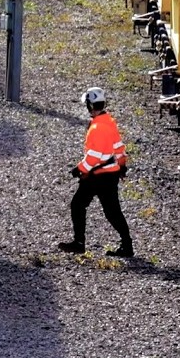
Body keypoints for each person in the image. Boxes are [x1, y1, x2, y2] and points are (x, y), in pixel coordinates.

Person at [57, 87, 134, 257]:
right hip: (109, 174)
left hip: (98, 176)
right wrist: (121, 165)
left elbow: (94, 156)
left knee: (78, 205)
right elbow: (119, 147)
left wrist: (79, 169)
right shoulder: (109, 122)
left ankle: (79, 243)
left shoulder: (96, 127)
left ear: (90, 106)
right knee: (112, 212)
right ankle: (126, 244)